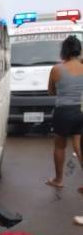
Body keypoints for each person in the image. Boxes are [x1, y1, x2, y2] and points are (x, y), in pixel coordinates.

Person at [46, 35, 83, 188]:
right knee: (80, 146)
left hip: (63, 112)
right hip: (80, 111)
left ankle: (59, 180)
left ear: (64, 50)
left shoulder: (56, 69)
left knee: (60, 146)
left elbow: (51, 91)